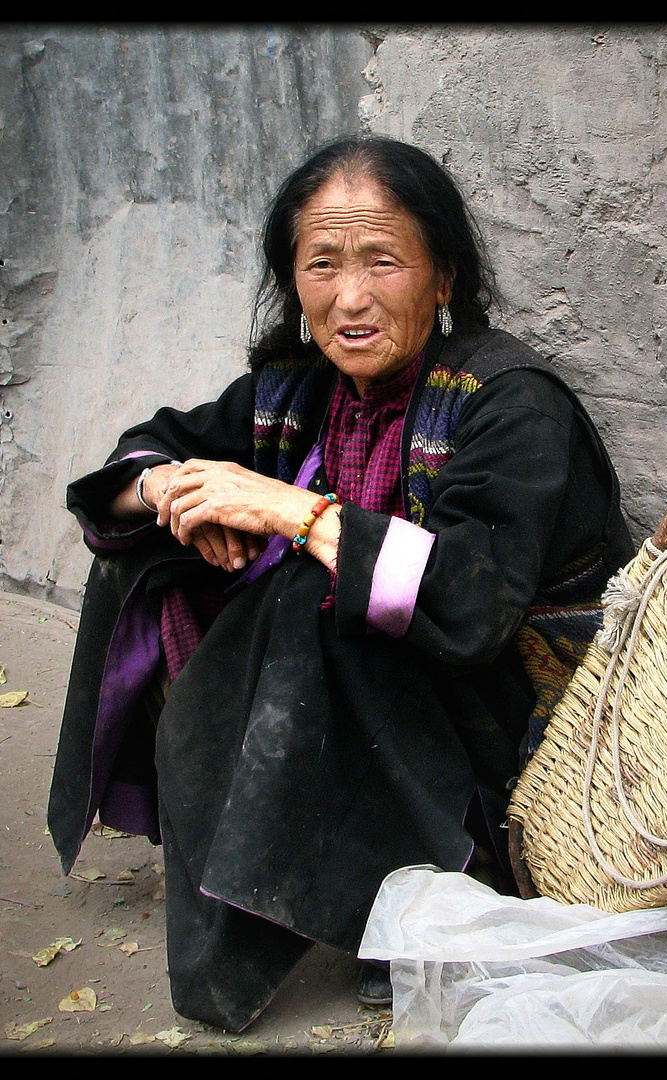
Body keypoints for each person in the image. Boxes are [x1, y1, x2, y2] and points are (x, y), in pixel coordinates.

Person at [47, 135, 634, 1032]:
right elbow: (138, 459)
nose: (349, 297)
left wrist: (296, 515)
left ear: (442, 278)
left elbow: (468, 609)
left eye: (382, 261)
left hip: (514, 718)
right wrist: (176, 490)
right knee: (150, 553)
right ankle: (287, 865)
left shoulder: (509, 402)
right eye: (320, 263)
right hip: (385, 698)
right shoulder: (299, 389)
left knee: (313, 593)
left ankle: (428, 882)